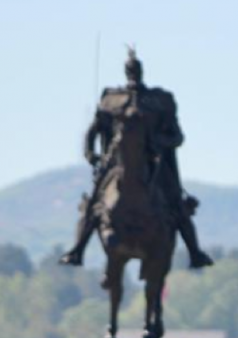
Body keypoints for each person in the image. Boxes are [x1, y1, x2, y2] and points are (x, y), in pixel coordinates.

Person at [59, 48, 213, 273]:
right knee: (94, 205)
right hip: (116, 164)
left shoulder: (160, 100)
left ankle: (195, 251)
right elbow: (93, 132)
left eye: (135, 69)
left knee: (177, 203)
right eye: (130, 69)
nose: (133, 73)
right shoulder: (111, 100)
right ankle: (78, 250)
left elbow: (177, 136)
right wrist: (91, 154)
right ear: (126, 71)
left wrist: (158, 141)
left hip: (154, 164)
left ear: (141, 71)